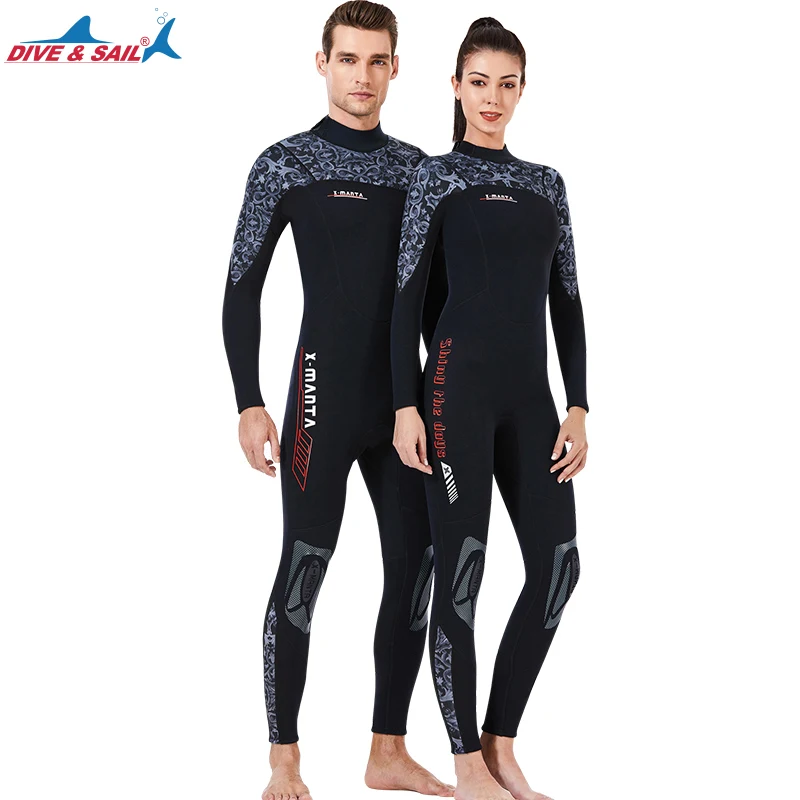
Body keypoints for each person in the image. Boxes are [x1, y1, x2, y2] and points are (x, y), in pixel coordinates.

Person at [222, 3, 453, 799]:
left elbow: (444, 303)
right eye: (348, 59)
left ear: (396, 68)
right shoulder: (285, 163)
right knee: (305, 565)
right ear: (321, 62)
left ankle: (388, 750)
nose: (362, 76)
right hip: (320, 398)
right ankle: (284, 759)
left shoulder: (420, 171)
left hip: (403, 408)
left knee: (418, 569)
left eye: (376, 60)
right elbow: (241, 288)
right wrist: (250, 401)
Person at [390, 17, 589, 800]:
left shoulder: (547, 184)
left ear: (522, 89)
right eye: (479, 82)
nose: (492, 98)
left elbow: (567, 301)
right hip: (453, 396)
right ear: (455, 86)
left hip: (532, 402)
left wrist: (579, 404)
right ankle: (465, 758)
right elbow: (406, 301)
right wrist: (405, 405)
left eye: (507, 83)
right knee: (464, 570)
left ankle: (502, 743)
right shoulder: (434, 178)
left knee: (559, 566)